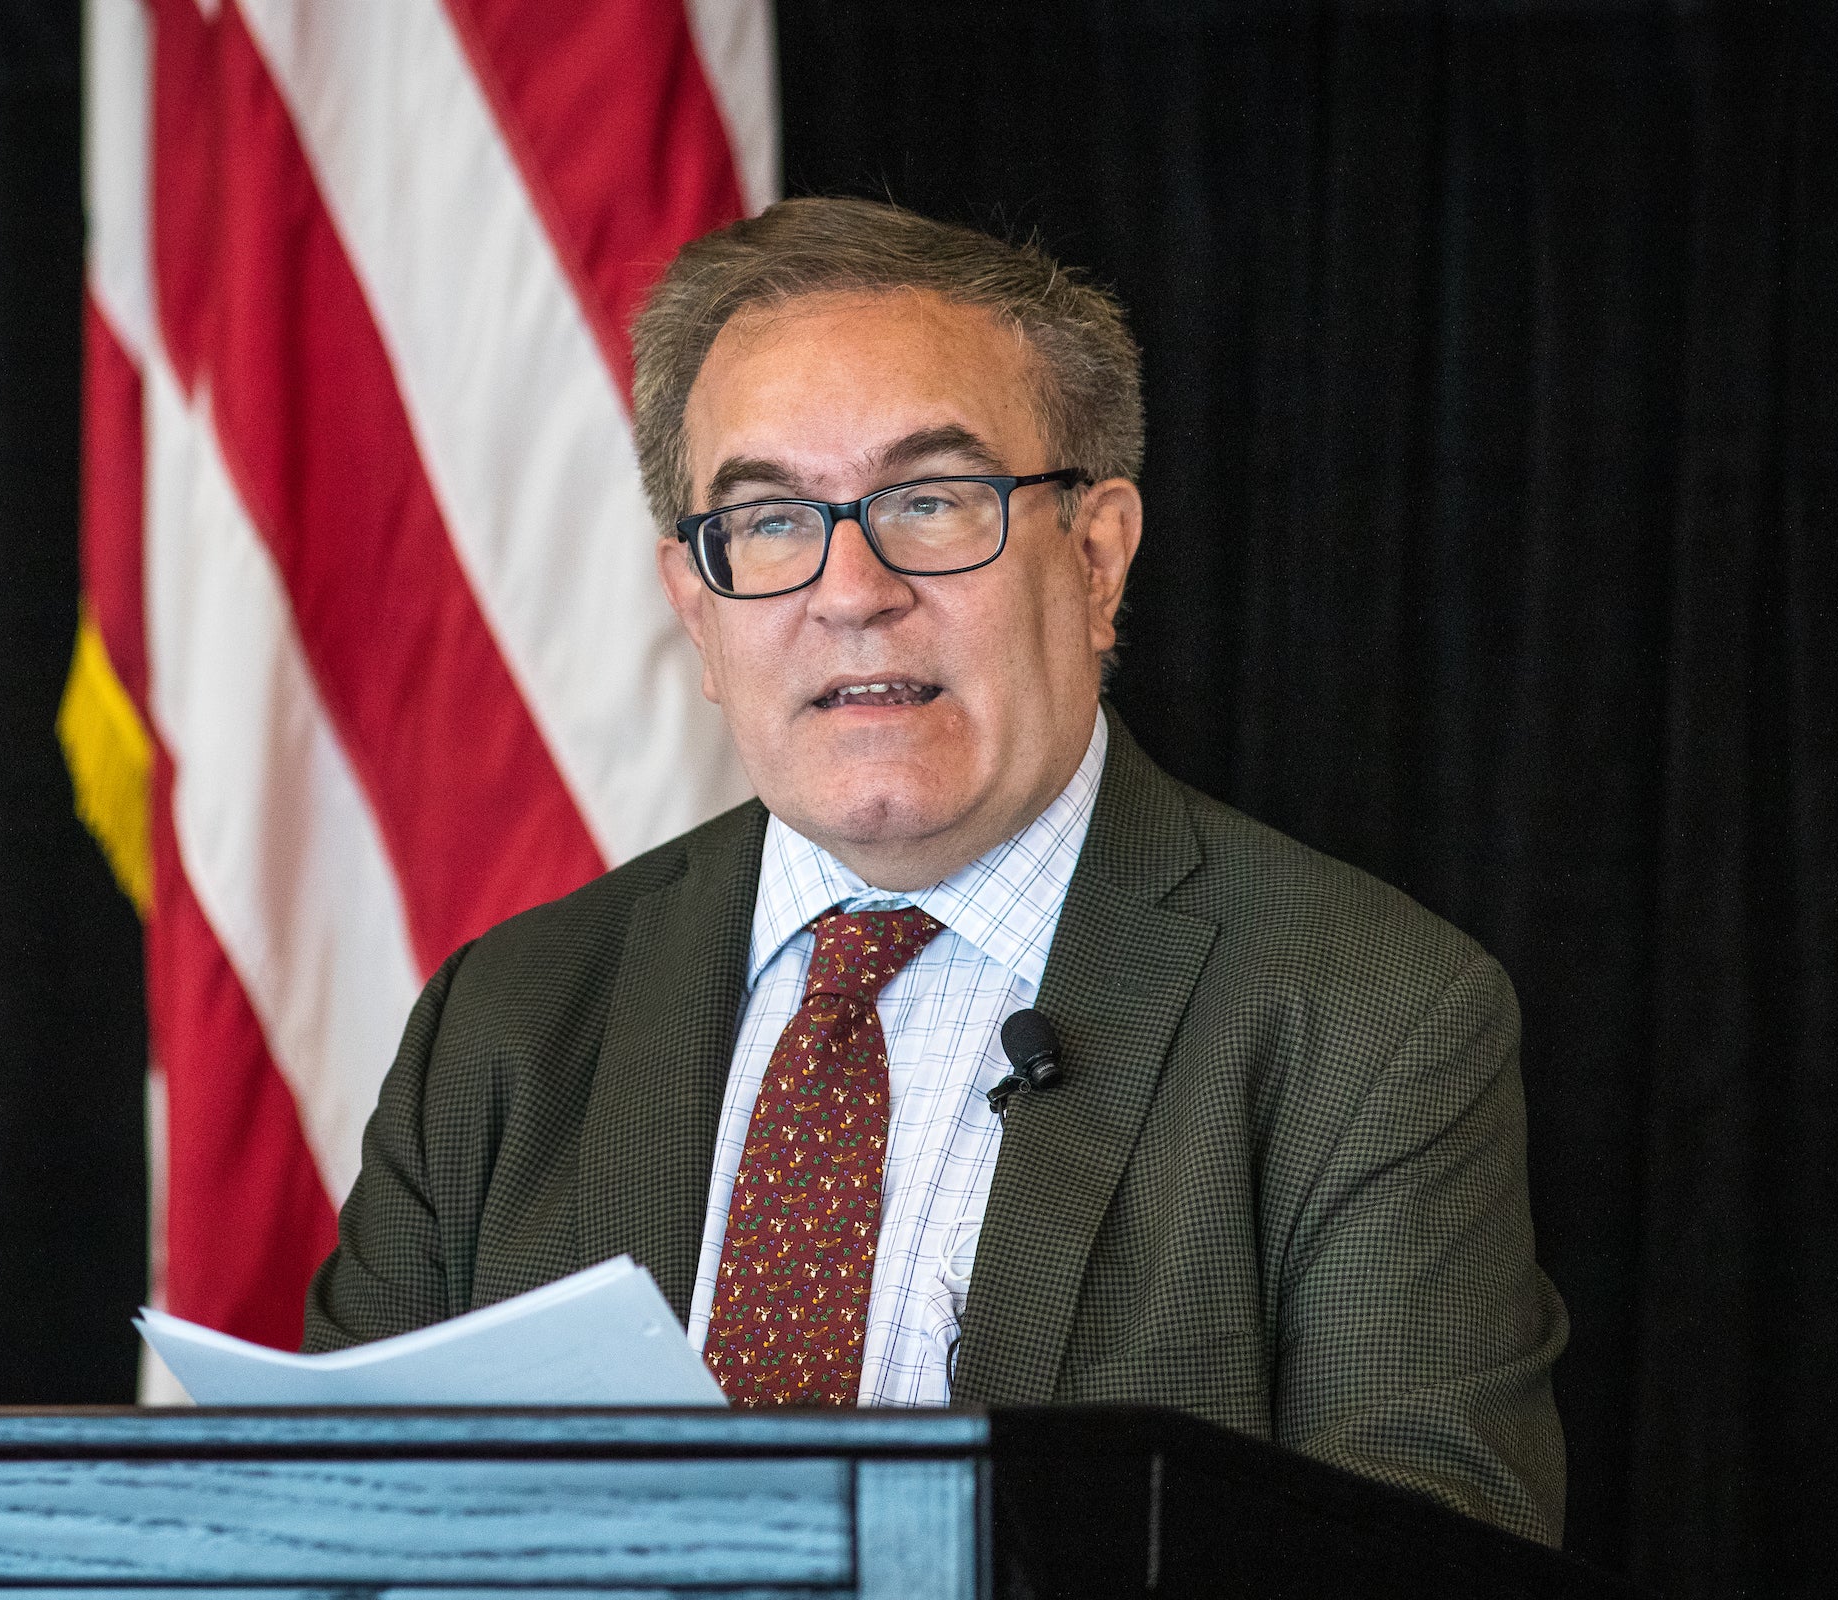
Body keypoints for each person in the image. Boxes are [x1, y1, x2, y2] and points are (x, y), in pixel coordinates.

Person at [304, 197, 1568, 1545]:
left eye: (930, 500)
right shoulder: (505, 1019)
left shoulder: (1370, 1014)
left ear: (1096, 555)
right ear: (695, 604)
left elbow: (1425, 1565)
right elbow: (305, 1530)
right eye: (772, 520)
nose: (851, 589)